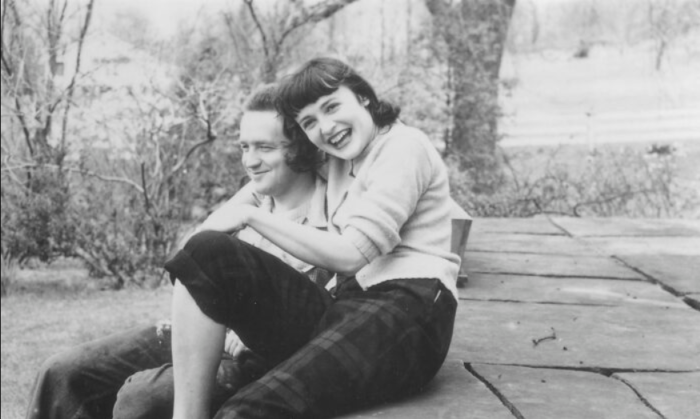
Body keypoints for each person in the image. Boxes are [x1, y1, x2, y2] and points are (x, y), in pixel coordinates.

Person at [166, 57, 460, 419]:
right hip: (348, 304)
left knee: (247, 410)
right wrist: (209, 231)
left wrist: (249, 216)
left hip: (411, 310)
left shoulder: (403, 147)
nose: (327, 127)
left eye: (332, 107)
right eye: (309, 122)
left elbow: (352, 255)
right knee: (207, 253)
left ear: (363, 97)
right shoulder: (337, 156)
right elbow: (259, 186)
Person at [25, 84, 330, 419]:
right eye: (245, 147)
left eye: (265, 148)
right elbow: (189, 257)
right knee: (63, 373)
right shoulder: (246, 205)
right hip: (208, 335)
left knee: (143, 397)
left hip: (260, 356)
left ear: (301, 148)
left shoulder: (333, 213)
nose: (250, 161)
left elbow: (326, 314)